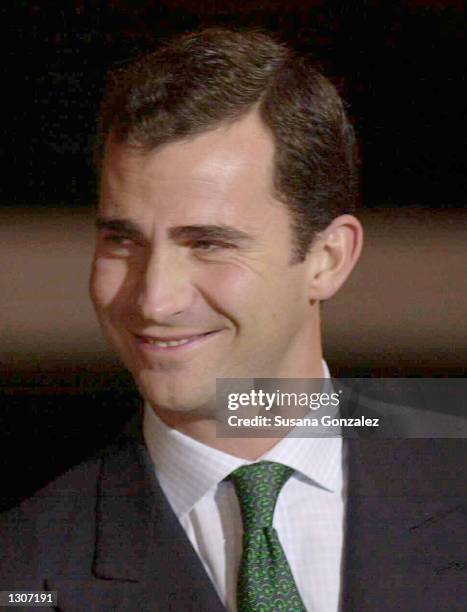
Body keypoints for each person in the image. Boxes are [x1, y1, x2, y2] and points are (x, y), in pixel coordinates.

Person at [0, 28, 465, 612]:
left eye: (208, 244)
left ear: (328, 259)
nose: (154, 300)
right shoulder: (24, 573)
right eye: (123, 241)